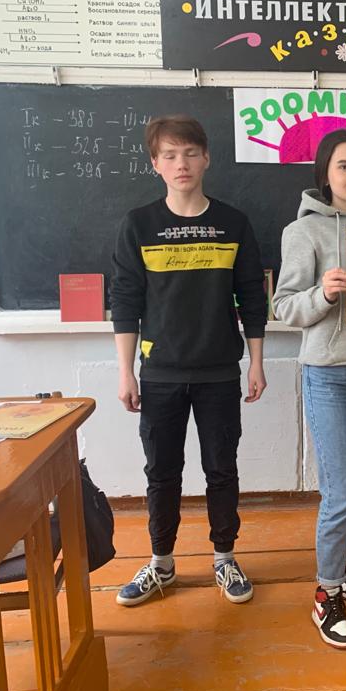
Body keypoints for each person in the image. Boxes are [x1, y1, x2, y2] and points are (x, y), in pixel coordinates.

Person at [110, 114, 267, 607]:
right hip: (160, 374)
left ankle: (225, 557)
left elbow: (252, 298)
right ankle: (162, 562)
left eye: (191, 153)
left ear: (206, 159)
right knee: (162, 472)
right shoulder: (139, 225)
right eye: (170, 155)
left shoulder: (233, 223)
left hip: (219, 372)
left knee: (221, 469)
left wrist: (256, 362)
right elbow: (126, 301)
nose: (182, 164)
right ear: (155, 163)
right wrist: (125, 371)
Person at [272, 130, 346, 650]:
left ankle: (340, 567)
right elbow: (284, 306)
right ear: (325, 173)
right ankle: (326, 592)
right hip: (328, 374)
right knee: (342, 491)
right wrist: (322, 293)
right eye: (344, 166)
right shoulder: (303, 232)